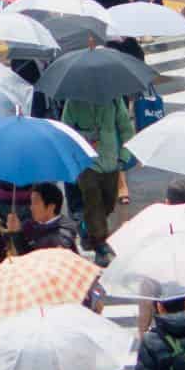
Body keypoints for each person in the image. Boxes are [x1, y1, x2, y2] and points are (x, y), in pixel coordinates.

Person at [60, 93, 133, 261]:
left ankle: (86, 226)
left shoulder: (114, 99)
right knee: (93, 200)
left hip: (111, 161)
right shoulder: (73, 102)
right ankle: (100, 245)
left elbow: (125, 127)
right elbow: (67, 132)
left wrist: (124, 155)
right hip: (87, 164)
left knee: (107, 203)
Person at [3, 182, 78, 255]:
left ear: (51, 207)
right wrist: (14, 233)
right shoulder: (28, 226)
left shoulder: (65, 228)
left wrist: (19, 235)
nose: (31, 207)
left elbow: (44, 253)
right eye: (31, 203)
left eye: (35, 203)